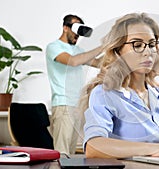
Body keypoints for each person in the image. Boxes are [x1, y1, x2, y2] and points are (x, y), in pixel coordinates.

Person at [81, 13, 159, 158]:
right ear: (118, 50)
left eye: (151, 45)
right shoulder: (105, 94)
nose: (147, 52)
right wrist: (158, 149)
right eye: (137, 45)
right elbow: (93, 148)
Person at [46, 14, 103, 155]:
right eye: (75, 29)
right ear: (65, 28)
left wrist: (114, 47)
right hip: (63, 105)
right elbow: (73, 61)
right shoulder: (54, 47)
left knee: (71, 154)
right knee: (61, 153)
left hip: (77, 106)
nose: (77, 35)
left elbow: (100, 63)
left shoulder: (78, 51)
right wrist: (103, 47)